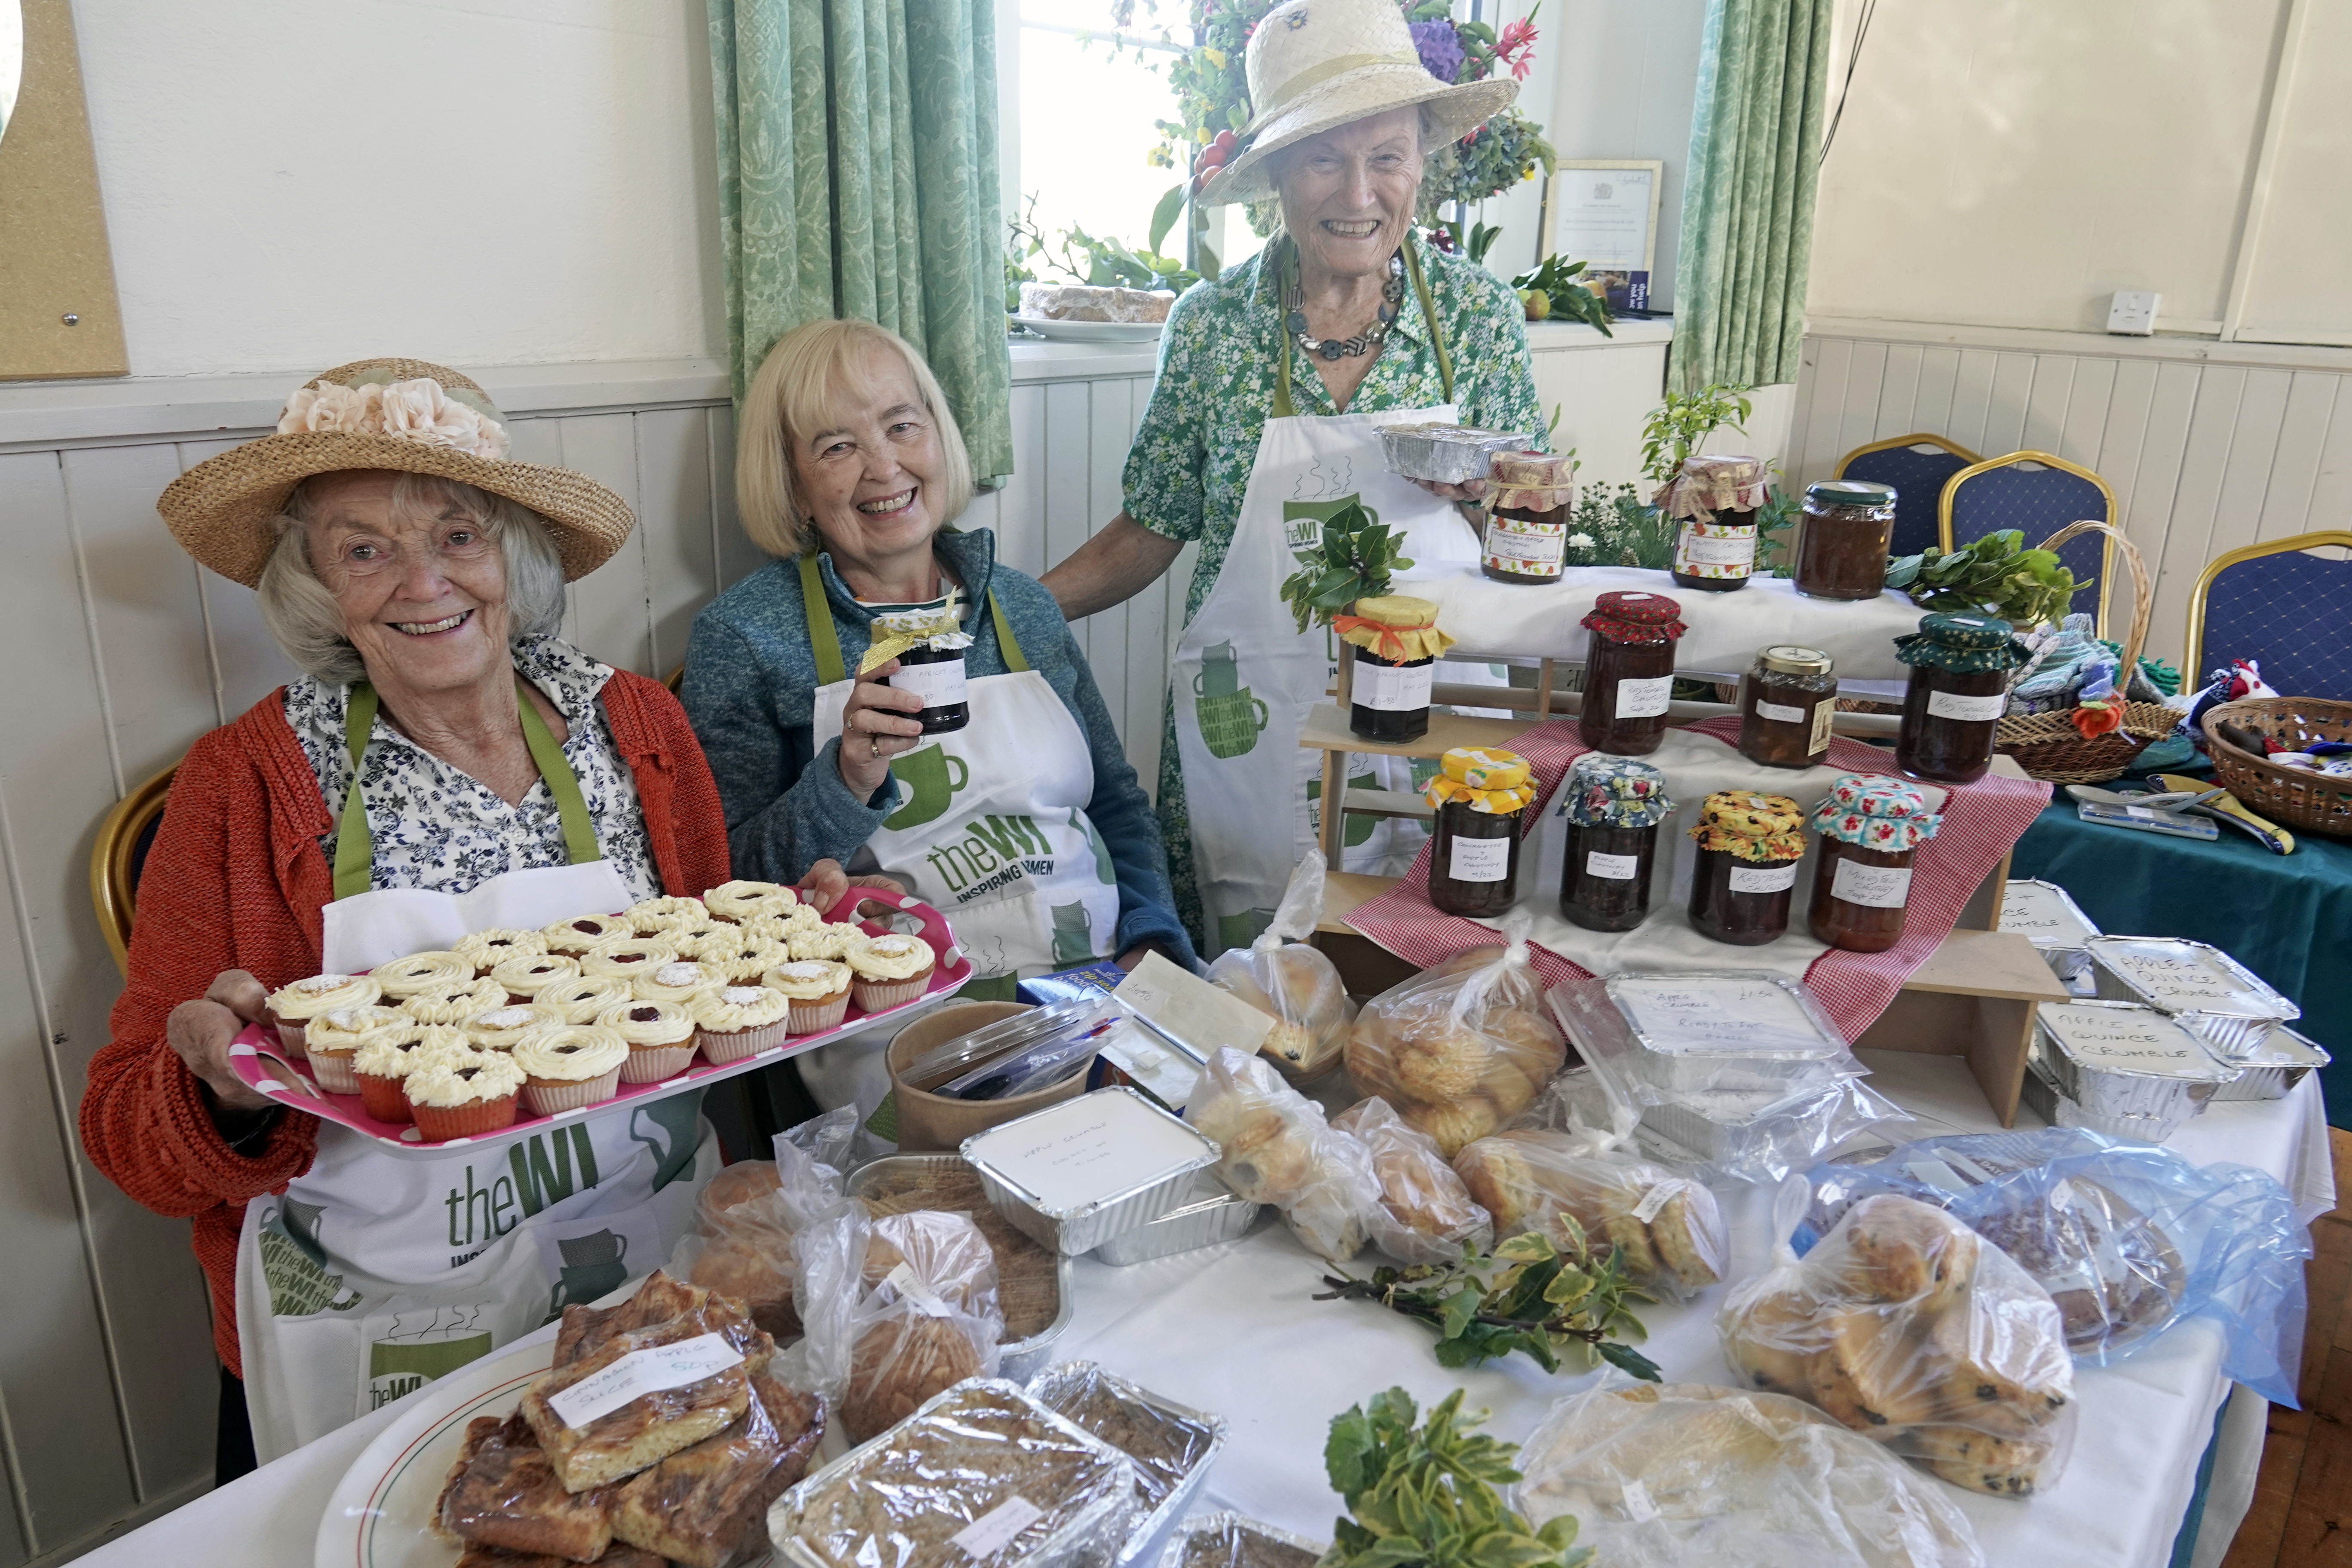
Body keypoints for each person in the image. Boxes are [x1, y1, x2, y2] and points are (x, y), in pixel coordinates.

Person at [75, 358, 860, 1473]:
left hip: (643, 1271)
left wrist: (782, 948)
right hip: (384, 1321)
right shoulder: (247, 782)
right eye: (364, 549)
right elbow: (127, 1138)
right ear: (317, 589)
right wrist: (220, 1091)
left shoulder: (634, 726)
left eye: (457, 535)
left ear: (513, 555)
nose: (421, 582)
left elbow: (694, 992)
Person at [1039, 0, 1548, 955]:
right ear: (1276, 172)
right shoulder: (1212, 327)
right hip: (1247, 722)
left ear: (1422, 167)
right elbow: (1152, 525)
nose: (1359, 191)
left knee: (1422, 971)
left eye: (1387, 157)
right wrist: (1016, 607)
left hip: (1431, 716)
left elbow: (1525, 530)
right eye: (1324, 157)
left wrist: (1496, 503)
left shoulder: (1479, 319)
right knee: (1248, 992)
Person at [682, 319, 1194, 1112]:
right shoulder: (747, 638)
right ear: (791, 482)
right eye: (836, 447)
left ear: (938, 435)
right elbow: (717, 887)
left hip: (1097, 990)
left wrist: (1155, 944)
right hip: (904, 1031)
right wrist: (846, 779)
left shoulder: (1020, 604)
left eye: (900, 426)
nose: (883, 466)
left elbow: (1118, 804)